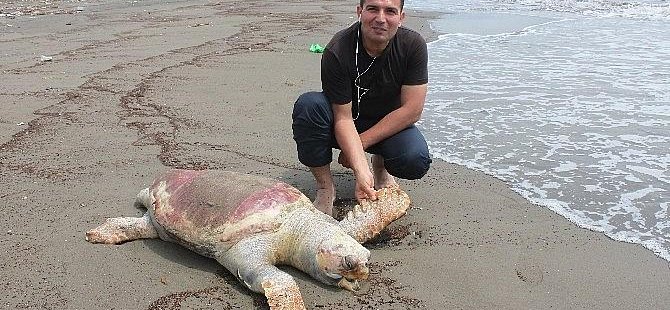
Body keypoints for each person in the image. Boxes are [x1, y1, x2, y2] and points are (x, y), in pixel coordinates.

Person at [292, 0, 431, 216]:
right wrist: (360, 170)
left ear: (401, 18)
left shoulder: (413, 46)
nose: (381, 18)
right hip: (344, 120)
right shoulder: (338, 49)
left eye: (390, 11)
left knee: (415, 159)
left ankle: (381, 167)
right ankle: (325, 188)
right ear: (360, 12)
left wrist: (360, 146)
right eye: (373, 9)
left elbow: (412, 110)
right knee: (309, 107)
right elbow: (343, 118)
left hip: (386, 122)